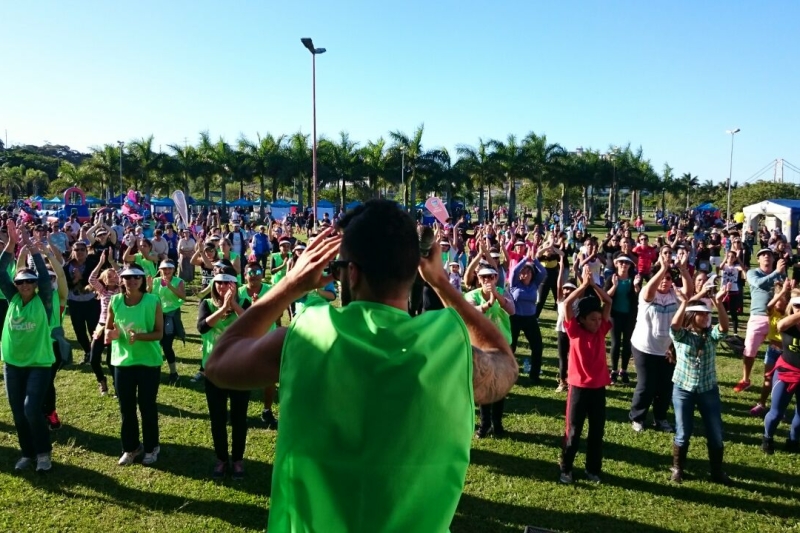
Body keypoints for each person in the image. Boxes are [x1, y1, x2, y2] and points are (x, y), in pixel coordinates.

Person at [204, 200, 517, 532]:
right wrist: (440, 282)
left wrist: (290, 284)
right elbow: (505, 365)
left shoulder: (307, 336)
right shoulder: (450, 349)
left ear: (350, 273)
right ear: (413, 272)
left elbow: (218, 363)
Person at [0, 220, 55, 472]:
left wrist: (32, 248)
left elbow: (44, 278)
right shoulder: (12, 299)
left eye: (28, 282)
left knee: (31, 409)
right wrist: (11, 244)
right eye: (21, 282)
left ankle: (43, 453)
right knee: (18, 413)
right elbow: (1, 271)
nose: (24, 286)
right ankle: (28, 453)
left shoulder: (42, 300)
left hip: (38, 364)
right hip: (12, 364)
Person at [668, 288, 732, 485]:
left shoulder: (711, 336)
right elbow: (674, 326)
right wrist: (685, 303)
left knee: (715, 432)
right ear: (692, 316)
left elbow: (724, 327)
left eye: (707, 314)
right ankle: (678, 469)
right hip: (683, 390)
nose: (706, 317)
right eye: (702, 314)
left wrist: (718, 303)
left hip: (707, 390)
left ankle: (716, 472)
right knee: (683, 431)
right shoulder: (682, 337)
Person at [629, 247, 693, 433]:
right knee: (646, 384)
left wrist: (682, 269)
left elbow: (688, 292)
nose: (665, 281)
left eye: (668, 278)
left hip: (667, 349)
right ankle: (638, 417)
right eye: (662, 278)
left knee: (666, 386)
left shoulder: (675, 295)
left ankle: (661, 418)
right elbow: (649, 291)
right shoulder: (647, 295)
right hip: (644, 347)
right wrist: (662, 268)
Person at [559, 266, 613, 484]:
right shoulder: (574, 330)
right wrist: (582, 286)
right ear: (581, 319)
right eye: (592, 319)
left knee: (596, 432)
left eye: (599, 319)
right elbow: (565, 305)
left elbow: (608, 302)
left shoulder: (601, 330)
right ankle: (566, 468)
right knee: (573, 431)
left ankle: (593, 469)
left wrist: (594, 285)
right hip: (579, 388)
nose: (598, 323)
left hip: (598, 388)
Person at [105, 266, 164, 466]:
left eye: (136, 277)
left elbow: (159, 333)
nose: (132, 281)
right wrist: (109, 334)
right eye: (127, 278)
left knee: (147, 407)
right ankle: (130, 448)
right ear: (122, 281)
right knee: (126, 408)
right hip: (122, 362)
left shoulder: (153, 301)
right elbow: (109, 327)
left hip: (148, 362)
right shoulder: (115, 301)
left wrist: (138, 337)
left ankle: (151, 447)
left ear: (141, 280)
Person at [198, 271, 249, 479]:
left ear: (235, 286)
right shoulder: (206, 304)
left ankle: (237, 459)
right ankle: (221, 459)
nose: (223, 287)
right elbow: (202, 327)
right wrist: (222, 309)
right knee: (217, 419)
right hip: (214, 370)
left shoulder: (244, 302)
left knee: (239, 419)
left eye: (228, 283)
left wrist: (234, 306)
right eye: (219, 283)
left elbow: (251, 324)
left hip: (239, 370)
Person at [466, 266, 516, 437]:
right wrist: (487, 303)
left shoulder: (503, 291)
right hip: (481, 348)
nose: (487, 280)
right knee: (484, 386)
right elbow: (472, 313)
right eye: (483, 277)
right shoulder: (472, 295)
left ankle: (497, 424)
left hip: (502, 347)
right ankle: (484, 424)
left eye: (491, 277)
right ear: (478, 279)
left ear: (496, 278)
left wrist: (497, 295)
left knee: (500, 386)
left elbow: (511, 310)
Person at [737, 249, 786, 393]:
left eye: (769, 255)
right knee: (749, 351)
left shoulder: (781, 275)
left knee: (779, 351)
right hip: (758, 316)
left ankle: (778, 382)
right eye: (763, 255)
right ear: (758, 259)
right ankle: (745, 379)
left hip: (777, 318)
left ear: (773, 259)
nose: (766, 257)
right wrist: (776, 272)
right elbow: (758, 284)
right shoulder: (753, 273)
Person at [237, 262, 279, 429]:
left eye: (257, 271)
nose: (253, 274)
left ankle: (267, 411)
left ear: (262, 274)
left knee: (269, 378)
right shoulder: (238, 292)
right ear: (245, 275)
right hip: (245, 340)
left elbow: (279, 313)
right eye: (250, 272)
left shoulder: (271, 289)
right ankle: (241, 412)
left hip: (267, 339)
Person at [764, 294, 800, 454]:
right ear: (791, 307)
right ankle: (767, 438)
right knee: (776, 412)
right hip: (786, 371)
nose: (799, 308)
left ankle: (793, 441)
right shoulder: (787, 323)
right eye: (797, 306)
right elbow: (780, 325)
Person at [751, 280, 792, 417]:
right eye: (778, 297)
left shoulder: (790, 315)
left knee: (781, 382)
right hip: (772, 351)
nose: (780, 301)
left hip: (785, 353)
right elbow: (769, 305)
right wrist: (781, 292)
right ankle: (761, 404)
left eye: (783, 298)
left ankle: (779, 408)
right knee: (767, 379)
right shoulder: (772, 312)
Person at [508, 250, 546, 382]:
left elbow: (544, 272)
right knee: (511, 347)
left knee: (537, 346)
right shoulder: (514, 284)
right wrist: (524, 259)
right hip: (515, 318)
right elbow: (513, 271)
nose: (525, 274)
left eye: (528, 271)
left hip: (530, 319)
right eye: (523, 272)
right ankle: (509, 374)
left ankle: (534, 375)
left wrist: (534, 259)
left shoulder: (534, 285)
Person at [88, 250, 121, 396]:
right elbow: (91, 279)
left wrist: (113, 263)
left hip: (115, 328)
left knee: (111, 361)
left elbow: (123, 274)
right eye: (109, 276)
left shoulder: (121, 291)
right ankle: (102, 381)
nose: (113, 278)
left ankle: (117, 386)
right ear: (105, 280)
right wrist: (101, 263)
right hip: (101, 326)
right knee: (93, 359)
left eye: (115, 276)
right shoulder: (102, 291)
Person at [605, 255, 641, 383]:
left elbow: (640, 297)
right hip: (614, 315)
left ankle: (624, 370)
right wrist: (614, 286)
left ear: (630, 266)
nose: (623, 265)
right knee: (615, 343)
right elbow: (605, 297)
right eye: (621, 262)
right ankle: (614, 371)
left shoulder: (634, 279)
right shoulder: (611, 278)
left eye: (626, 263)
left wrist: (636, 286)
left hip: (629, 316)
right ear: (616, 264)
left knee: (627, 344)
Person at [153, 260, 186, 385]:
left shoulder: (179, 281)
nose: (166, 271)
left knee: (167, 345)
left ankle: (173, 373)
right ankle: (154, 371)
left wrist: (170, 286)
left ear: (173, 269)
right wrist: (148, 287)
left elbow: (183, 297)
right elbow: (147, 296)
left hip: (171, 316)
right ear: (160, 270)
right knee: (154, 345)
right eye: (164, 269)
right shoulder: (155, 281)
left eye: (169, 269)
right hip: (155, 316)